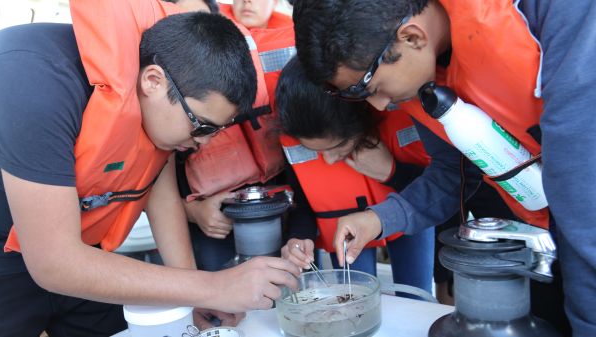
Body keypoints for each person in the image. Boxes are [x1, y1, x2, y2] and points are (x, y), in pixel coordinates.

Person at [292, 0, 595, 335]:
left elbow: (583, 193)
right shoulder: (419, 76)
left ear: (412, 38)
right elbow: (454, 172)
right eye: (356, 95)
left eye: (372, 88)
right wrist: (380, 218)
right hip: (539, 240)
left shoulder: (555, 12)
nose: (379, 104)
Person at [0, 1, 299, 336]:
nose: (205, 143)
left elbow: (159, 189)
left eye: (215, 131)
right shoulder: (36, 85)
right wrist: (213, 287)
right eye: (201, 126)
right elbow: (54, 263)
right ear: (153, 81)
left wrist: (195, 298)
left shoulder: (153, 91)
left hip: (84, 248)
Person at [275, 57, 435, 295]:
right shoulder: (297, 129)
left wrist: (392, 171)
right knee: (354, 300)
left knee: (416, 296)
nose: (328, 160)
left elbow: (440, 191)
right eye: (316, 151)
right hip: (343, 232)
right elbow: (303, 201)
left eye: (336, 147)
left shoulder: (400, 114)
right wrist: (299, 237)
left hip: (409, 221)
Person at [175, 0, 296, 271]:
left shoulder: (294, 54)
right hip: (210, 217)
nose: (248, 1)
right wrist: (192, 212)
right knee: (224, 304)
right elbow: (154, 174)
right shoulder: (179, 79)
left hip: (278, 205)